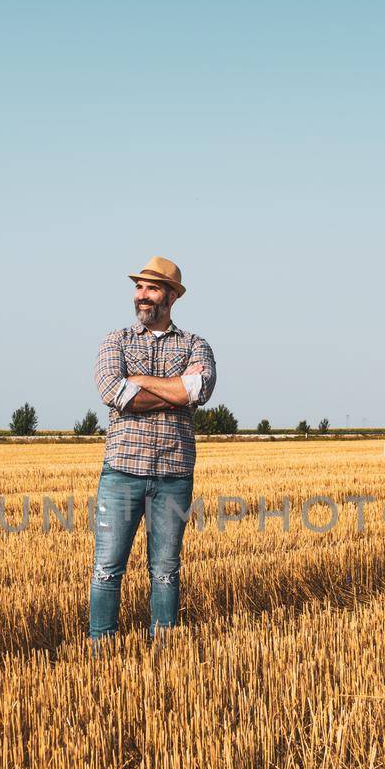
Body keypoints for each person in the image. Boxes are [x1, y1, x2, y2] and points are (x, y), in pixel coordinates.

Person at [89, 256, 217, 638]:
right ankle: (102, 649)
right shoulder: (116, 340)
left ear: (172, 296)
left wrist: (140, 380)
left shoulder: (196, 344)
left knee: (165, 572)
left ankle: (165, 650)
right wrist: (176, 391)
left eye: (152, 288)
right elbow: (114, 392)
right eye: (139, 288)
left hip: (173, 475)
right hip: (122, 471)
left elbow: (199, 390)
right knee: (107, 569)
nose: (142, 296)